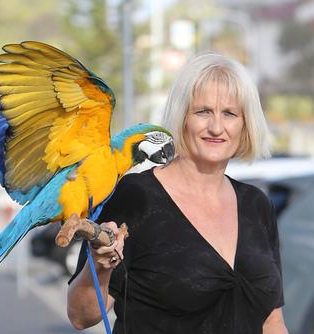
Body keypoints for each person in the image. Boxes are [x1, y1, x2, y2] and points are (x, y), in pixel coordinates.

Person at [67, 53, 288, 333]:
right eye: (203, 111)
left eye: (230, 113)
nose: (216, 127)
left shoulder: (256, 204)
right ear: (182, 117)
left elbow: (272, 322)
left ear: (245, 124)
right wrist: (100, 268)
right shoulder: (136, 196)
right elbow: (80, 316)